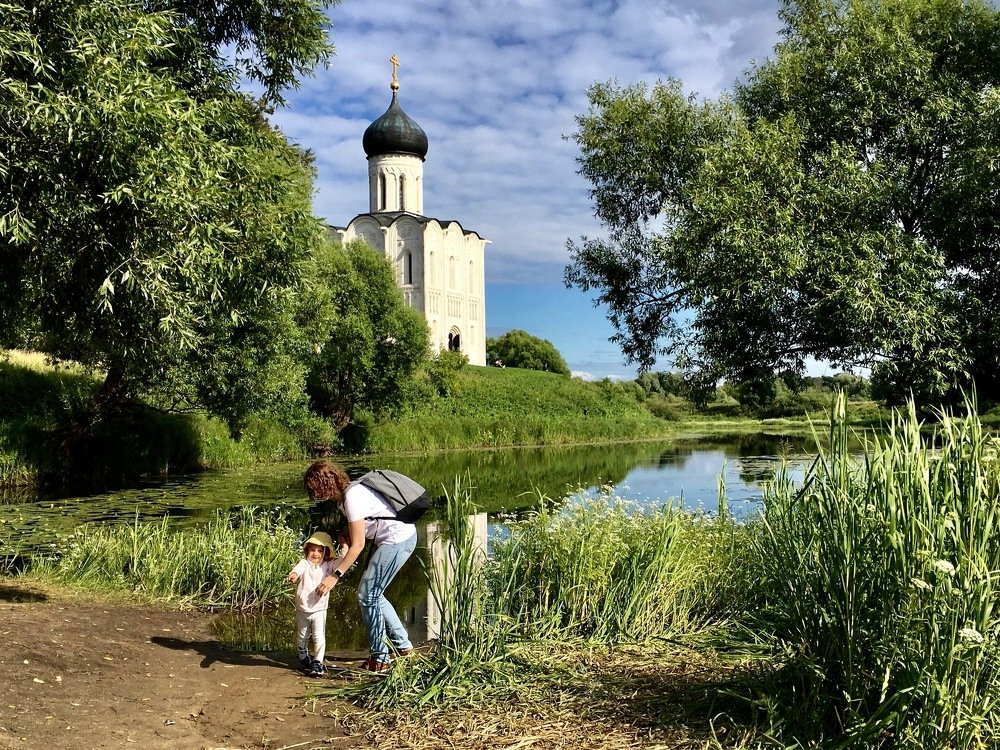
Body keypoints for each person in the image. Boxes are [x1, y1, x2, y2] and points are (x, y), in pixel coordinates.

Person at [304, 459, 417, 672]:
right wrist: (348, 537)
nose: (315, 495)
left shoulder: (352, 497)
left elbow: (358, 547)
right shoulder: (347, 497)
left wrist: (334, 576)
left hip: (398, 540)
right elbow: (366, 528)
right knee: (373, 593)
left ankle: (380, 658)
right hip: (395, 539)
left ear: (324, 485)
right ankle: (402, 646)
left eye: (315, 489)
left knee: (367, 595)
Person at [286, 531, 339, 677]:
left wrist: (346, 549)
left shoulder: (328, 566)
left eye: (320, 550)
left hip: (319, 609)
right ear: (307, 551)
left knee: (318, 636)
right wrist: (293, 575)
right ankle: (303, 655)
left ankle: (318, 662)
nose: (315, 554)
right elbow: (297, 570)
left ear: (326, 552)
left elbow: (340, 565)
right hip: (302, 607)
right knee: (302, 635)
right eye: (312, 550)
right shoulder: (304, 563)